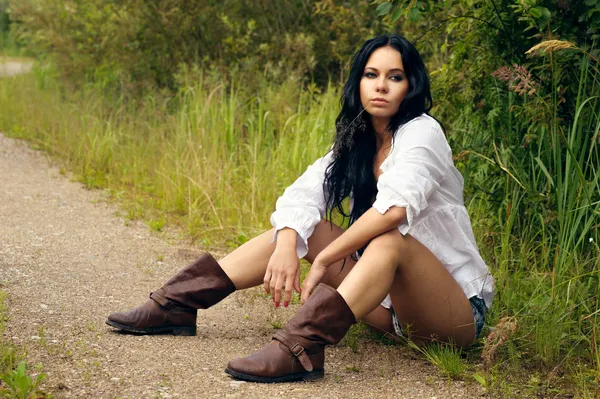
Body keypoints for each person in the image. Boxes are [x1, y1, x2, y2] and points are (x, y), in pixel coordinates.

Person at [106, 34, 495, 383]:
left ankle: (301, 349)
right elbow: (304, 193)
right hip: (389, 313)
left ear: (411, 85)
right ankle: (177, 303)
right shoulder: (357, 138)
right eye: (371, 74)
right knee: (308, 227)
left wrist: (326, 257)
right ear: (357, 82)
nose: (380, 86)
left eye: (394, 77)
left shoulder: (422, 131)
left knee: (391, 240)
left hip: (451, 315)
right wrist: (286, 244)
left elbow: (394, 210)